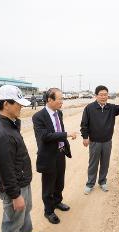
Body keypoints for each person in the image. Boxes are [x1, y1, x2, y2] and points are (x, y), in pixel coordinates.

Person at [0, 85, 44, 232]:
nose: (22, 107)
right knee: (12, 220)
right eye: (18, 103)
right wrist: (15, 195)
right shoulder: (2, 133)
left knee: (25, 210)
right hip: (14, 187)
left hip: (21, 181)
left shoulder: (10, 124)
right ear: (6, 104)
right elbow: (5, 169)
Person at [80, 85, 119, 194]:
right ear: (96, 96)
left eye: (105, 95)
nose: (103, 97)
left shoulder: (111, 108)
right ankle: (90, 184)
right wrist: (85, 137)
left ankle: (103, 182)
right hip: (94, 141)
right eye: (101, 95)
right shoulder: (89, 108)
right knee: (93, 163)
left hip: (107, 141)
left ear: (108, 96)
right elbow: (84, 124)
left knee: (105, 163)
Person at [32, 88, 77, 224]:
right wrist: (66, 134)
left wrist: (63, 140)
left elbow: (58, 129)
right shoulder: (38, 117)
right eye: (59, 99)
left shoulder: (59, 113)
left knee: (59, 181)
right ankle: (49, 211)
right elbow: (44, 136)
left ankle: (57, 202)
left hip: (60, 152)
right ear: (50, 100)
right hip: (48, 156)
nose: (62, 101)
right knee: (48, 186)